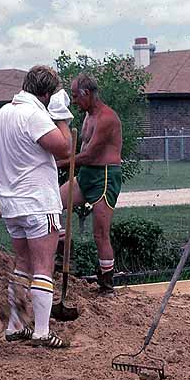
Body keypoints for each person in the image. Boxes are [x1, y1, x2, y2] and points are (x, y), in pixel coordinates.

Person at [0, 65, 73, 347]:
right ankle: (41, 331)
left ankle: (15, 326)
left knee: (22, 265)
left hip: (11, 204)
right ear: (47, 93)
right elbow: (65, 149)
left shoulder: (1, 114)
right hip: (38, 202)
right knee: (43, 266)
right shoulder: (34, 115)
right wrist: (62, 115)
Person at [58, 73, 123, 296]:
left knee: (100, 234)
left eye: (76, 96)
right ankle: (64, 253)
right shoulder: (87, 116)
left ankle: (106, 285)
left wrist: (58, 164)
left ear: (87, 93)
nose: (74, 101)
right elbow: (81, 154)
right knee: (52, 201)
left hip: (104, 176)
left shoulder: (107, 118)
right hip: (86, 173)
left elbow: (90, 155)